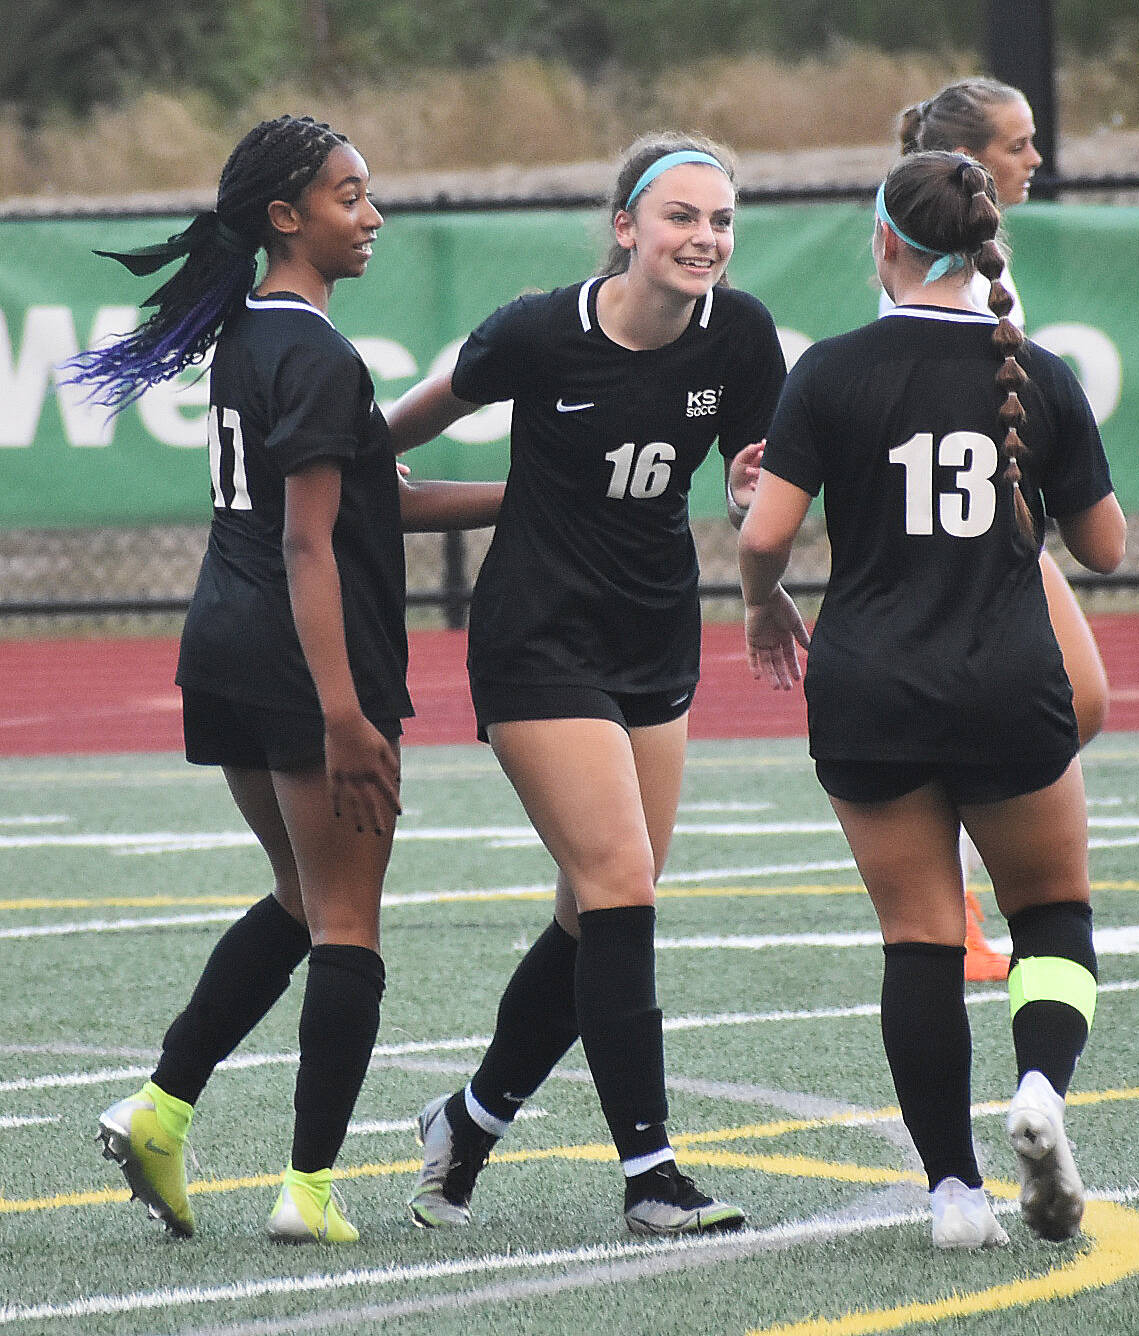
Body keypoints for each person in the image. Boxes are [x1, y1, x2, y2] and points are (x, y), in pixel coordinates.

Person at [65, 114, 502, 1244]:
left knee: (303, 901)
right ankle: (307, 1190)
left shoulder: (255, 336)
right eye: (351, 195)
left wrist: (539, 493)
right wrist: (348, 713)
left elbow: (381, 502)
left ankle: (160, 1108)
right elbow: (313, 545)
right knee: (349, 922)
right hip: (304, 662)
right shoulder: (313, 351)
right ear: (285, 215)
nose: (374, 215)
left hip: (225, 647)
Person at [384, 132, 800, 1236]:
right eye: (680, 217)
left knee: (593, 908)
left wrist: (759, 510)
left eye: (721, 221)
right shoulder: (539, 329)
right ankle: (651, 1172)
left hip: (654, 632)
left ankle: (468, 1122)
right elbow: (420, 411)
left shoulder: (744, 335)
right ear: (626, 227)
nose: (704, 238)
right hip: (536, 636)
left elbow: (753, 496)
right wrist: (355, 456)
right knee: (621, 880)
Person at [737, 151, 1125, 1249]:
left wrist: (765, 604)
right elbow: (1102, 548)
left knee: (918, 938)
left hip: (869, 686)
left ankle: (953, 1194)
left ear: (885, 244)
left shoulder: (831, 368)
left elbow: (766, 533)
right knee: (1051, 914)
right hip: (1006, 678)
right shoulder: (1037, 371)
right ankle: (1042, 1087)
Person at [885, 78, 1112, 981]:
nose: (1034, 159)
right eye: (1018, 144)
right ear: (973, 158)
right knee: (1059, 700)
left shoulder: (981, 258)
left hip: (989, 523)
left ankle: (973, 868)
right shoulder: (925, 252)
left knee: (1079, 701)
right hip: (956, 536)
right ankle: (962, 886)